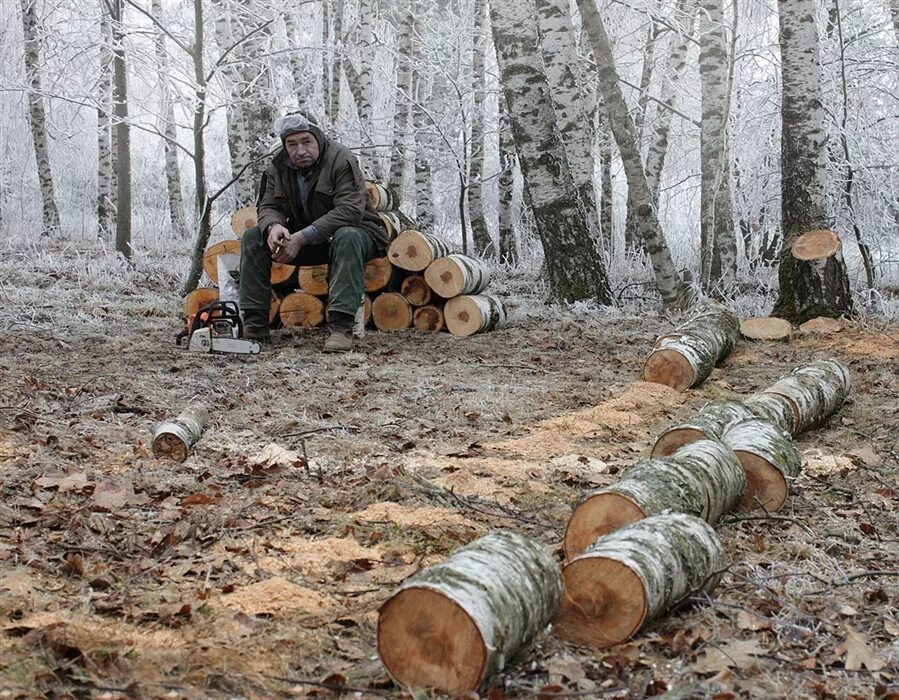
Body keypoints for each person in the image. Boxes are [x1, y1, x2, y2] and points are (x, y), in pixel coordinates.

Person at [239, 113, 389, 352]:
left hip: (359, 234)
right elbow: (269, 206)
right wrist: (274, 226)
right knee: (253, 238)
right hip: (309, 239)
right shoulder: (277, 167)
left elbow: (350, 211)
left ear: (318, 139)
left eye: (306, 141)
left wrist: (300, 237)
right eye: (292, 144)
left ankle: (340, 330)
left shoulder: (341, 159)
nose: (300, 150)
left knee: (347, 235)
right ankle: (254, 327)